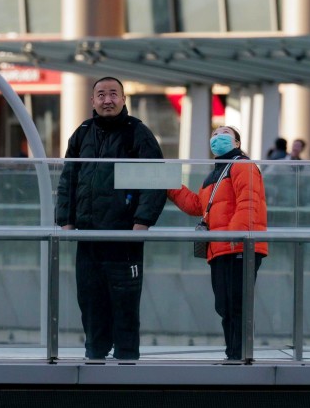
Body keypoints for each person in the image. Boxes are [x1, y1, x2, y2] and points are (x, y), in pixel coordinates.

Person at [54, 76, 165, 361]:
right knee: (90, 302)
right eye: (101, 95)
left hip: (123, 237)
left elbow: (156, 181)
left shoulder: (137, 133)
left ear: (124, 99)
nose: (107, 100)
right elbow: (68, 178)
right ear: (92, 101)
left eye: (113, 94)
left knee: (125, 303)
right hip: (88, 237)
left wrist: (142, 222)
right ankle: (94, 357)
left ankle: (126, 363)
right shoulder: (82, 133)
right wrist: (66, 221)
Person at [166, 126, 268, 362]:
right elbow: (197, 206)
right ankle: (234, 355)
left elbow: (249, 203)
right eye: (213, 134)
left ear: (237, 142)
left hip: (237, 246)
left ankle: (240, 356)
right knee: (226, 306)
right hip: (222, 248)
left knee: (236, 306)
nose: (217, 137)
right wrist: (170, 183)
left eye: (224, 133)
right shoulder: (216, 174)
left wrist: (233, 239)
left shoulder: (242, 166)